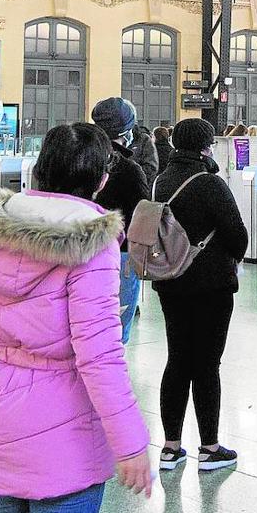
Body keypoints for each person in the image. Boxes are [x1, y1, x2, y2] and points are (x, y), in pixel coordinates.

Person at [0, 123, 152, 513]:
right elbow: (100, 354)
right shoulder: (92, 243)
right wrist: (131, 444)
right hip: (62, 432)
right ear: (101, 181)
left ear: (40, 168)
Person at [153, 118, 249, 472]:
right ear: (207, 146)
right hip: (211, 286)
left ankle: (170, 447)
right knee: (207, 363)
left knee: (177, 359)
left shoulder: (160, 181)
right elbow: (238, 235)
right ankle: (209, 447)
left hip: (170, 281)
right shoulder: (210, 183)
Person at [90, 98, 148, 345]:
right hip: (121, 255)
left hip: (78, 251)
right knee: (114, 335)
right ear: (127, 130)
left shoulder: (81, 159)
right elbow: (143, 213)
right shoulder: (130, 169)